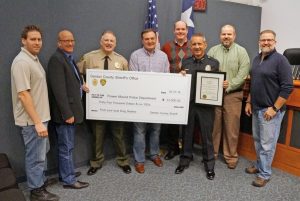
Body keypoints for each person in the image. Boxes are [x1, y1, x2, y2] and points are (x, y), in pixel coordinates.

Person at [11, 25, 59, 201]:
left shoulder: (33, 59)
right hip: (32, 121)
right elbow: (23, 95)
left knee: (41, 153)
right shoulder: (22, 62)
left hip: (40, 118)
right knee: (35, 157)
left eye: (39, 39)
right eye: (33, 39)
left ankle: (41, 181)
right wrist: (38, 122)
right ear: (23, 40)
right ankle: (36, 191)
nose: (37, 42)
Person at [77, 30, 131, 175]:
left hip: (116, 107)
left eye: (111, 41)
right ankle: (96, 162)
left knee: (119, 135)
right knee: (97, 135)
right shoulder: (89, 58)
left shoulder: (122, 61)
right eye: (106, 40)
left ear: (115, 43)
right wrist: (82, 84)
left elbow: (129, 83)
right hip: (97, 106)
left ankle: (123, 161)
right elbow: (76, 73)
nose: (108, 43)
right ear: (101, 42)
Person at [245, 30, 293, 187]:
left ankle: (264, 174)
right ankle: (260, 166)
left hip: (270, 110)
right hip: (257, 107)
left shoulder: (281, 60)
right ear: (259, 41)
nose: (266, 42)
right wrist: (249, 102)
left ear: (275, 42)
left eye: (269, 40)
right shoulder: (257, 58)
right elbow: (253, 83)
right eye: (263, 40)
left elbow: (287, 87)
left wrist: (274, 108)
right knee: (258, 141)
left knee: (267, 144)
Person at [47, 30, 89, 189]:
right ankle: (69, 180)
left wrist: (81, 85)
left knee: (68, 146)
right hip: (65, 114)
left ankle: (67, 172)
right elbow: (59, 91)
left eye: (72, 40)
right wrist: (67, 114)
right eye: (66, 41)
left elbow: (70, 81)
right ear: (59, 43)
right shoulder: (56, 60)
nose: (70, 43)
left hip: (70, 112)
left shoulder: (67, 58)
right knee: (66, 148)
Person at [174, 33, 219, 180]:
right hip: (188, 105)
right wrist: (179, 75)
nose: (197, 47)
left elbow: (216, 84)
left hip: (206, 107)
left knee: (207, 136)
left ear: (205, 45)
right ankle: (185, 159)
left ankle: (209, 164)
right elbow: (180, 82)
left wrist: (222, 84)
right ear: (190, 46)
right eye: (194, 44)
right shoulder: (185, 62)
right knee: (187, 133)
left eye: (200, 44)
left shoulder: (213, 63)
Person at [208, 24, 250, 169]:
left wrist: (230, 85)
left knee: (232, 128)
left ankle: (231, 156)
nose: (226, 37)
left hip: (233, 95)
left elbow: (243, 74)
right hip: (214, 95)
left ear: (234, 35)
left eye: (229, 34)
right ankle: (211, 154)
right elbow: (207, 70)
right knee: (214, 127)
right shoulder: (213, 50)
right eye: (223, 34)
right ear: (220, 35)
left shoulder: (241, 52)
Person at [129, 29, 169, 173]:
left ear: (156, 39)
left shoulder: (163, 57)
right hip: (140, 100)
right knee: (139, 131)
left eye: (152, 38)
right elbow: (133, 80)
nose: (150, 41)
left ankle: (154, 154)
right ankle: (139, 160)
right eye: (147, 39)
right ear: (142, 40)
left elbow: (167, 78)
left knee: (156, 130)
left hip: (158, 100)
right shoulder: (135, 56)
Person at [161, 20, 192, 160]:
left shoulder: (194, 45)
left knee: (187, 121)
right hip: (171, 89)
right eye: (178, 29)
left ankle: (186, 150)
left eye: (183, 29)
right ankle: (172, 148)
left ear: (186, 31)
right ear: (174, 31)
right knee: (172, 122)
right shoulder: (166, 47)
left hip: (189, 90)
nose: (180, 32)